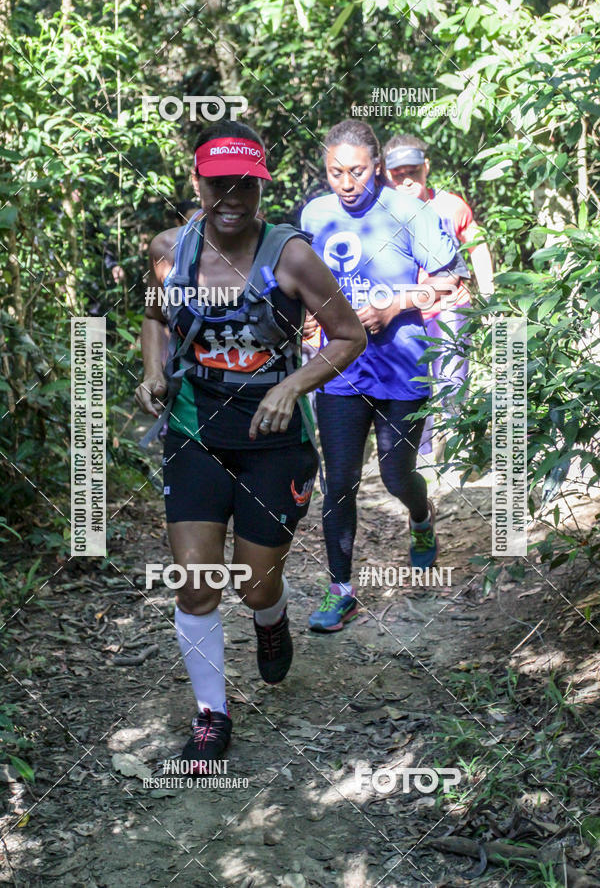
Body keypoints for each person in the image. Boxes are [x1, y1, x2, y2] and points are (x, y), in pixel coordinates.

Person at [135, 120, 365, 763]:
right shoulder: (168, 251)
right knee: (196, 583)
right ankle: (212, 714)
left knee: (255, 586)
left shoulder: (291, 256)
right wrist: (154, 372)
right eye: (218, 184)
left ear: (263, 187)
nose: (232, 198)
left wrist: (292, 385)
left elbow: (349, 335)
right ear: (197, 183)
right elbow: (154, 316)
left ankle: (271, 618)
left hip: (275, 441)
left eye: (246, 185)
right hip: (194, 432)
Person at [300, 119, 468, 633]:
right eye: (336, 173)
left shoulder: (410, 211)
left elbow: (453, 282)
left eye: (357, 171)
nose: (347, 183)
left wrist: (396, 304)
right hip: (340, 369)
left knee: (396, 474)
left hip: (401, 365)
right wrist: (306, 316)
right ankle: (341, 591)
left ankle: (420, 516)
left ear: (377, 166)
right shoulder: (315, 214)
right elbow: (302, 281)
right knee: (340, 482)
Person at [383, 134, 494, 461]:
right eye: (398, 174)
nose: (407, 181)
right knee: (414, 387)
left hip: (450, 306)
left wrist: (489, 298)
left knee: (452, 382)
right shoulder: (381, 211)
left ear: (426, 168)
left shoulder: (450, 206)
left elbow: (478, 246)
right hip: (404, 312)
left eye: (413, 172)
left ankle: (457, 457)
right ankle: (424, 458)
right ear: (387, 174)